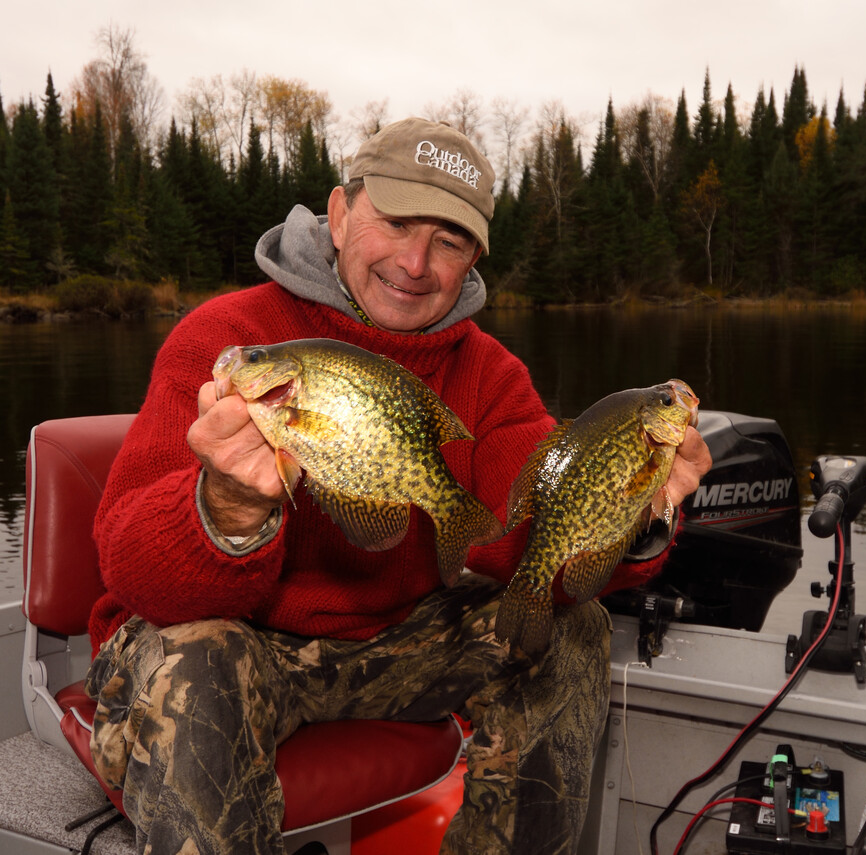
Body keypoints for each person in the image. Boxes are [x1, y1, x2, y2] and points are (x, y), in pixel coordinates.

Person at [86, 117, 712, 855]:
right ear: (343, 212)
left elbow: (535, 545)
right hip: (240, 642)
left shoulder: (490, 375)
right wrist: (226, 509)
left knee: (566, 632)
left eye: (448, 240)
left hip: (390, 643)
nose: (416, 262)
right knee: (193, 664)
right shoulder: (227, 338)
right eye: (396, 222)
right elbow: (128, 566)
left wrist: (636, 501)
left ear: (475, 257)